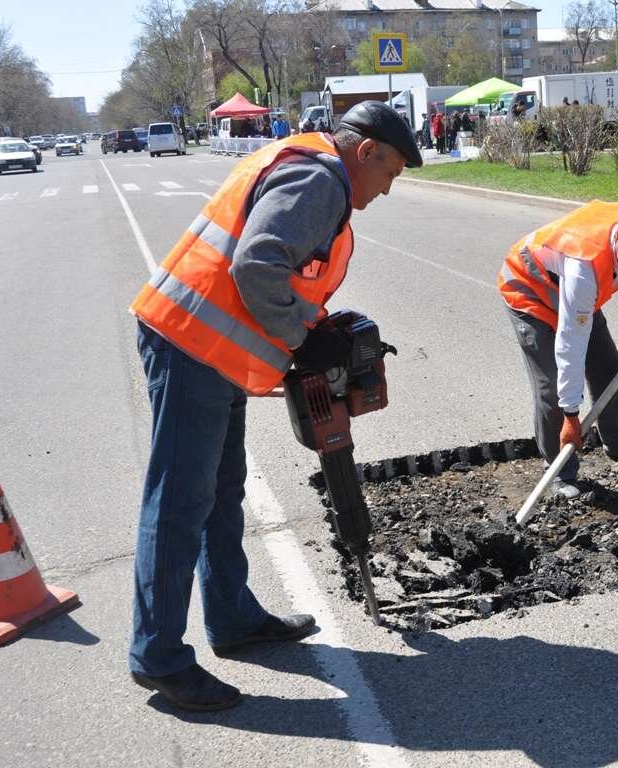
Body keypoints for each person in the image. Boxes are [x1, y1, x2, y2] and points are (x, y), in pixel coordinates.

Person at [126, 101, 422, 712]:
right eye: (391, 173)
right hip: (191, 345)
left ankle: (232, 617)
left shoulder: (318, 173)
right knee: (180, 501)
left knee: (220, 490)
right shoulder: (319, 179)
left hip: (213, 353)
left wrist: (312, 322)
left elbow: (286, 271)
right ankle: (157, 657)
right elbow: (257, 262)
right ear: (366, 152)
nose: (388, 189)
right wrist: (302, 334)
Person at [499, 201, 618, 499]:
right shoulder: (584, 265)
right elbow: (571, 342)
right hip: (529, 290)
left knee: (608, 370)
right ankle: (559, 468)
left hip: (573, 293)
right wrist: (570, 414)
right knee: (550, 388)